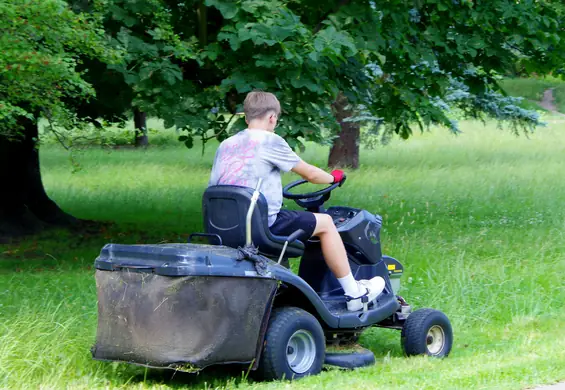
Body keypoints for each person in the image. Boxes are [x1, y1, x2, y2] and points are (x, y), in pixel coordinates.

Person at [208, 91, 385, 311]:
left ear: (246, 117)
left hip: (225, 228)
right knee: (327, 224)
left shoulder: (226, 144)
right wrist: (334, 178)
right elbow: (310, 174)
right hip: (261, 226)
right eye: (276, 120)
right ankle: (354, 293)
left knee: (305, 221)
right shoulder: (269, 140)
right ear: (272, 117)